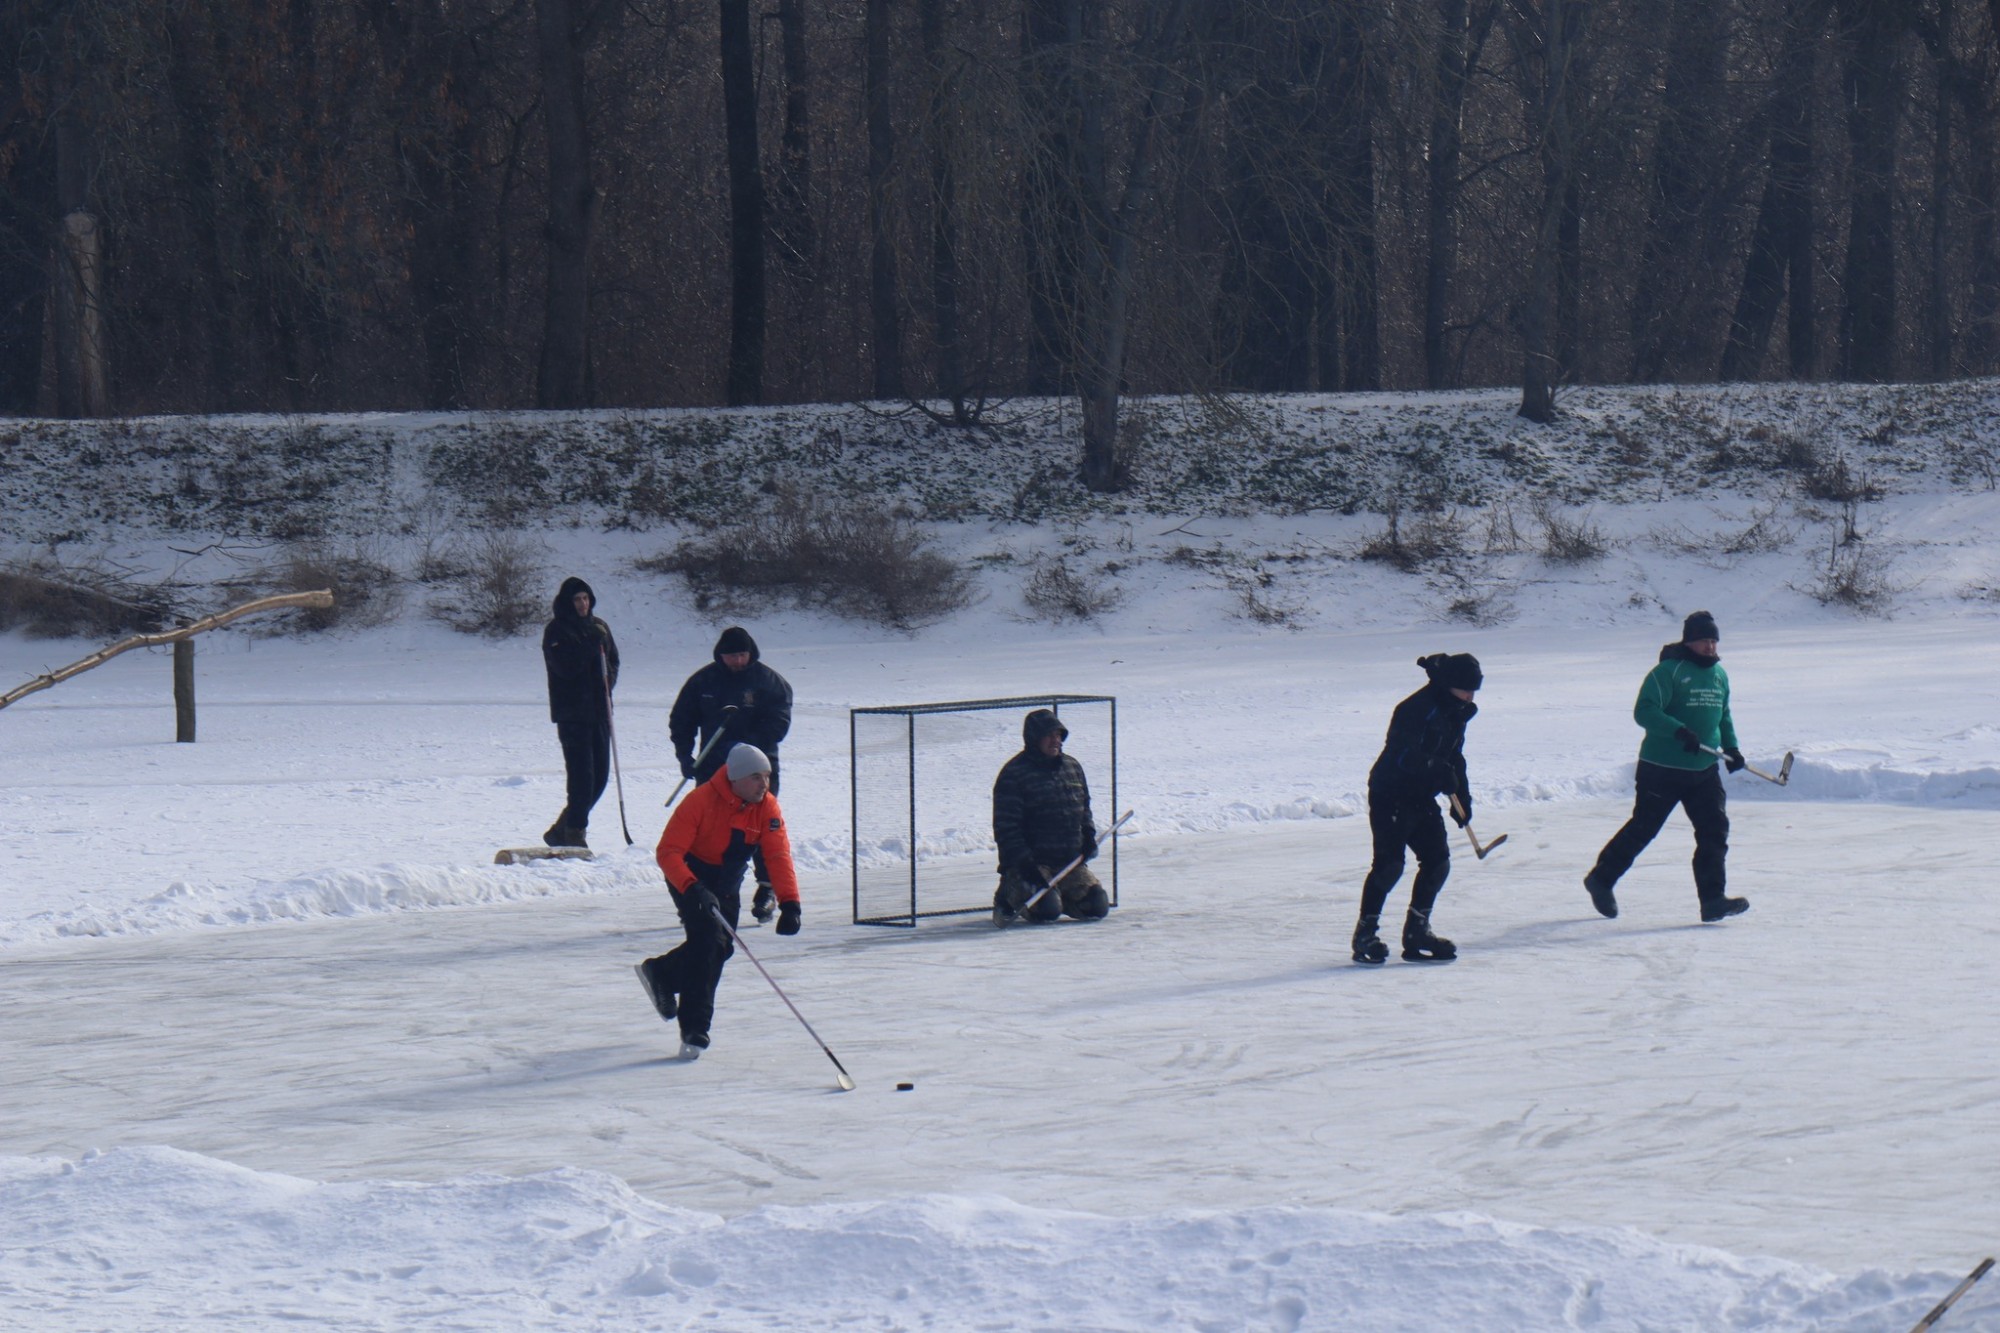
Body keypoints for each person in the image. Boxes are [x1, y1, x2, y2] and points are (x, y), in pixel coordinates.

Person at [634, 744, 802, 1059]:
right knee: (708, 944)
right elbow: (668, 852)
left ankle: (662, 973)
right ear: (736, 778)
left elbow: (777, 855)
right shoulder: (699, 802)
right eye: (755, 777)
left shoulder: (767, 808)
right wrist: (692, 887)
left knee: (722, 948)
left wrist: (790, 903)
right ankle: (695, 1029)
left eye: (767, 776)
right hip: (689, 877)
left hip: (726, 883)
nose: (764, 784)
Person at [1582, 611, 1749, 923]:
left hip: (1704, 769)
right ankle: (1601, 880)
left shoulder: (1719, 675)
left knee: (1714, 831)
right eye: (1703, 641)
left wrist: (1733, 748)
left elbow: (1723, 715)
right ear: (1689, 642)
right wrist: (1677, 730)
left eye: (1713, 641)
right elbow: (1644, 711)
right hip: (1662, 767)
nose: (1710, 647)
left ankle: (1713, 899)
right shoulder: (1667, 672)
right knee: (1644, 828)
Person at [1351, 653, 1482, 965]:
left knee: (1438, 862)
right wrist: (1437, 769)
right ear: (1449, 684)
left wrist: (1461, 795)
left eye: (1474, 690)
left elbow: (1455, 758)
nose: (1471, 695)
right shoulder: (1415, 709)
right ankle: (1365, 934)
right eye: (1465, 688)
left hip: (1421, 796)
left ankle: (1417, 932)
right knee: (1390, 865)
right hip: (1390, 793)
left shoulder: (1457, 711)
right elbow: (1402, 755)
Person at [669, 627, 793, 922]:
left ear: (750, 654)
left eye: (741, 655)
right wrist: (685, 756)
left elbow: (779, 724)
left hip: (756, 772)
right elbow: (681, 719)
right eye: (730, 656)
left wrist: (743, 741)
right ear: (720, 655)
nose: (736, 661)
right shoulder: (704, 681)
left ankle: (766, 888)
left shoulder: (769, 682)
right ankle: (705, 891)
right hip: (714, 771)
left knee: (759, 829)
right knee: (710, 831)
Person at [991, 708, 1109, 923]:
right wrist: (1024, 864)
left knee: (1097, 905)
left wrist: (1089, 836)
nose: (1055, 741)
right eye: (1049, 736)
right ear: (1034, 739)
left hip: (1069, 862)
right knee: (1046, 909)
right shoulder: (1014, 774)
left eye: (1058, 735)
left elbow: (1084, 809)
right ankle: (1008, 895)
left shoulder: (1072, 767)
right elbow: (1006, 829)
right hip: (1032, 866)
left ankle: (1061, 894)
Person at [539, 576, 619, 849]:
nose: (582, 604)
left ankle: (562, 828)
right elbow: (565, 668)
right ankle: (575, 832)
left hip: (600, 711)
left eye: (585, 598)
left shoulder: (600, 627)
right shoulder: (556, 631)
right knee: (582, 777)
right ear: (567, 602)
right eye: (577, 599)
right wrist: (588, 645)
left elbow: (613, 660)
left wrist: (609, 680)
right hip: (573, 713)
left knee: (600, 777)